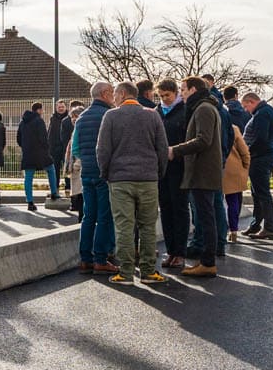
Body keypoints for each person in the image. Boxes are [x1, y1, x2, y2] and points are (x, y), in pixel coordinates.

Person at [96, 81, 169, 284]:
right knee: (147, 226)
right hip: (148, 179)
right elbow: (162, 148)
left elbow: (102, 149)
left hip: (120, 179)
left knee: (124, 226)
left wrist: (106, 173)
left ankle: (126, 272)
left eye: (116, 95)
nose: (114, 98)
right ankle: (148, 271)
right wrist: (158, 172)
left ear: (122, 94)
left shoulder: (111, 116)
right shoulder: (152, 115)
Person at [169, 76, 224, 277]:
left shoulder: (203, 109)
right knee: (205, 216)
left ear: (193, 90)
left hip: (203, 171)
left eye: (183, 89)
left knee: (206, 217)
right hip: (203, 170)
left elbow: (203, 140)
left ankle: (208, 263)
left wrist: (175, 150)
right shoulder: (204, 107)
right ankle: (206, 261)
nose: (181, 93)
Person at [73, 82, 117, 275]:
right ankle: (100, 258)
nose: (114, 97)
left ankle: (85, 259)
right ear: (105, 93)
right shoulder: (108, 115)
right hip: (104, 173)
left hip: (87, 172)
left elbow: (75, 148)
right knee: (105, 217)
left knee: (88, 216)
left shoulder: (81, 118)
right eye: (113, 93)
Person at [153, 80, 190, 270]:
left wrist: (176, 152)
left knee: (180, 209)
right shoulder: (157, 112)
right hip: (162, 169)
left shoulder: (184, 111)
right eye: (161, 96)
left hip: (180, 167)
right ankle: (171, 250)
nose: (164, 99)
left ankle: (180, 252)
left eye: (167, 95)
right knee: (166, 209)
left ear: (176, 93)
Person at [240, 90, 273, 240]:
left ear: (251, 102)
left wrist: (247, 152)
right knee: (257, 194)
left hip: (260, 158)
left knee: (262, 194)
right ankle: (256, 225)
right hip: (264, 156)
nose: (246, 110)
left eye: (246, 106)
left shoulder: (262, 114)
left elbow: (260, 138)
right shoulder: (267, 111)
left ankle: (269, 228)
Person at [18, 101, 52, 212]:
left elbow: (18, 138)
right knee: (51, 169)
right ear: (39, 110)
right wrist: (46, 149)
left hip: (27, 153)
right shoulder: (39, 121)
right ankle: (54, 193)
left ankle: (30, 202)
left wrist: (25, 147)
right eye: (42, 110)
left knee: (28, 177)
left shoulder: (22, 122)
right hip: (40, 153)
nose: (42, 112)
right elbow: (43, 137)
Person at [222, 115, 250, 243]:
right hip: (235, 169)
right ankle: (233, 230)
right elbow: (244, 150)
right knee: (235, 201)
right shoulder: (233, 129)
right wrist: (245, 166)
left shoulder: (213, 128)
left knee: (218, 202)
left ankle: (222, 230)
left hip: (219, 169)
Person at [46, 98, 70, 199]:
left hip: (66, 148)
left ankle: (68, 189)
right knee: (55, 170)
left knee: (67, 169)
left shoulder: (69, 118)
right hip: (55, 148)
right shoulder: (53, 118)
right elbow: (50, 133)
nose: (60, 108)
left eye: (62, 107)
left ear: (66, 107)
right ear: (56, 108)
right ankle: (55, 189)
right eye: (59, 107)